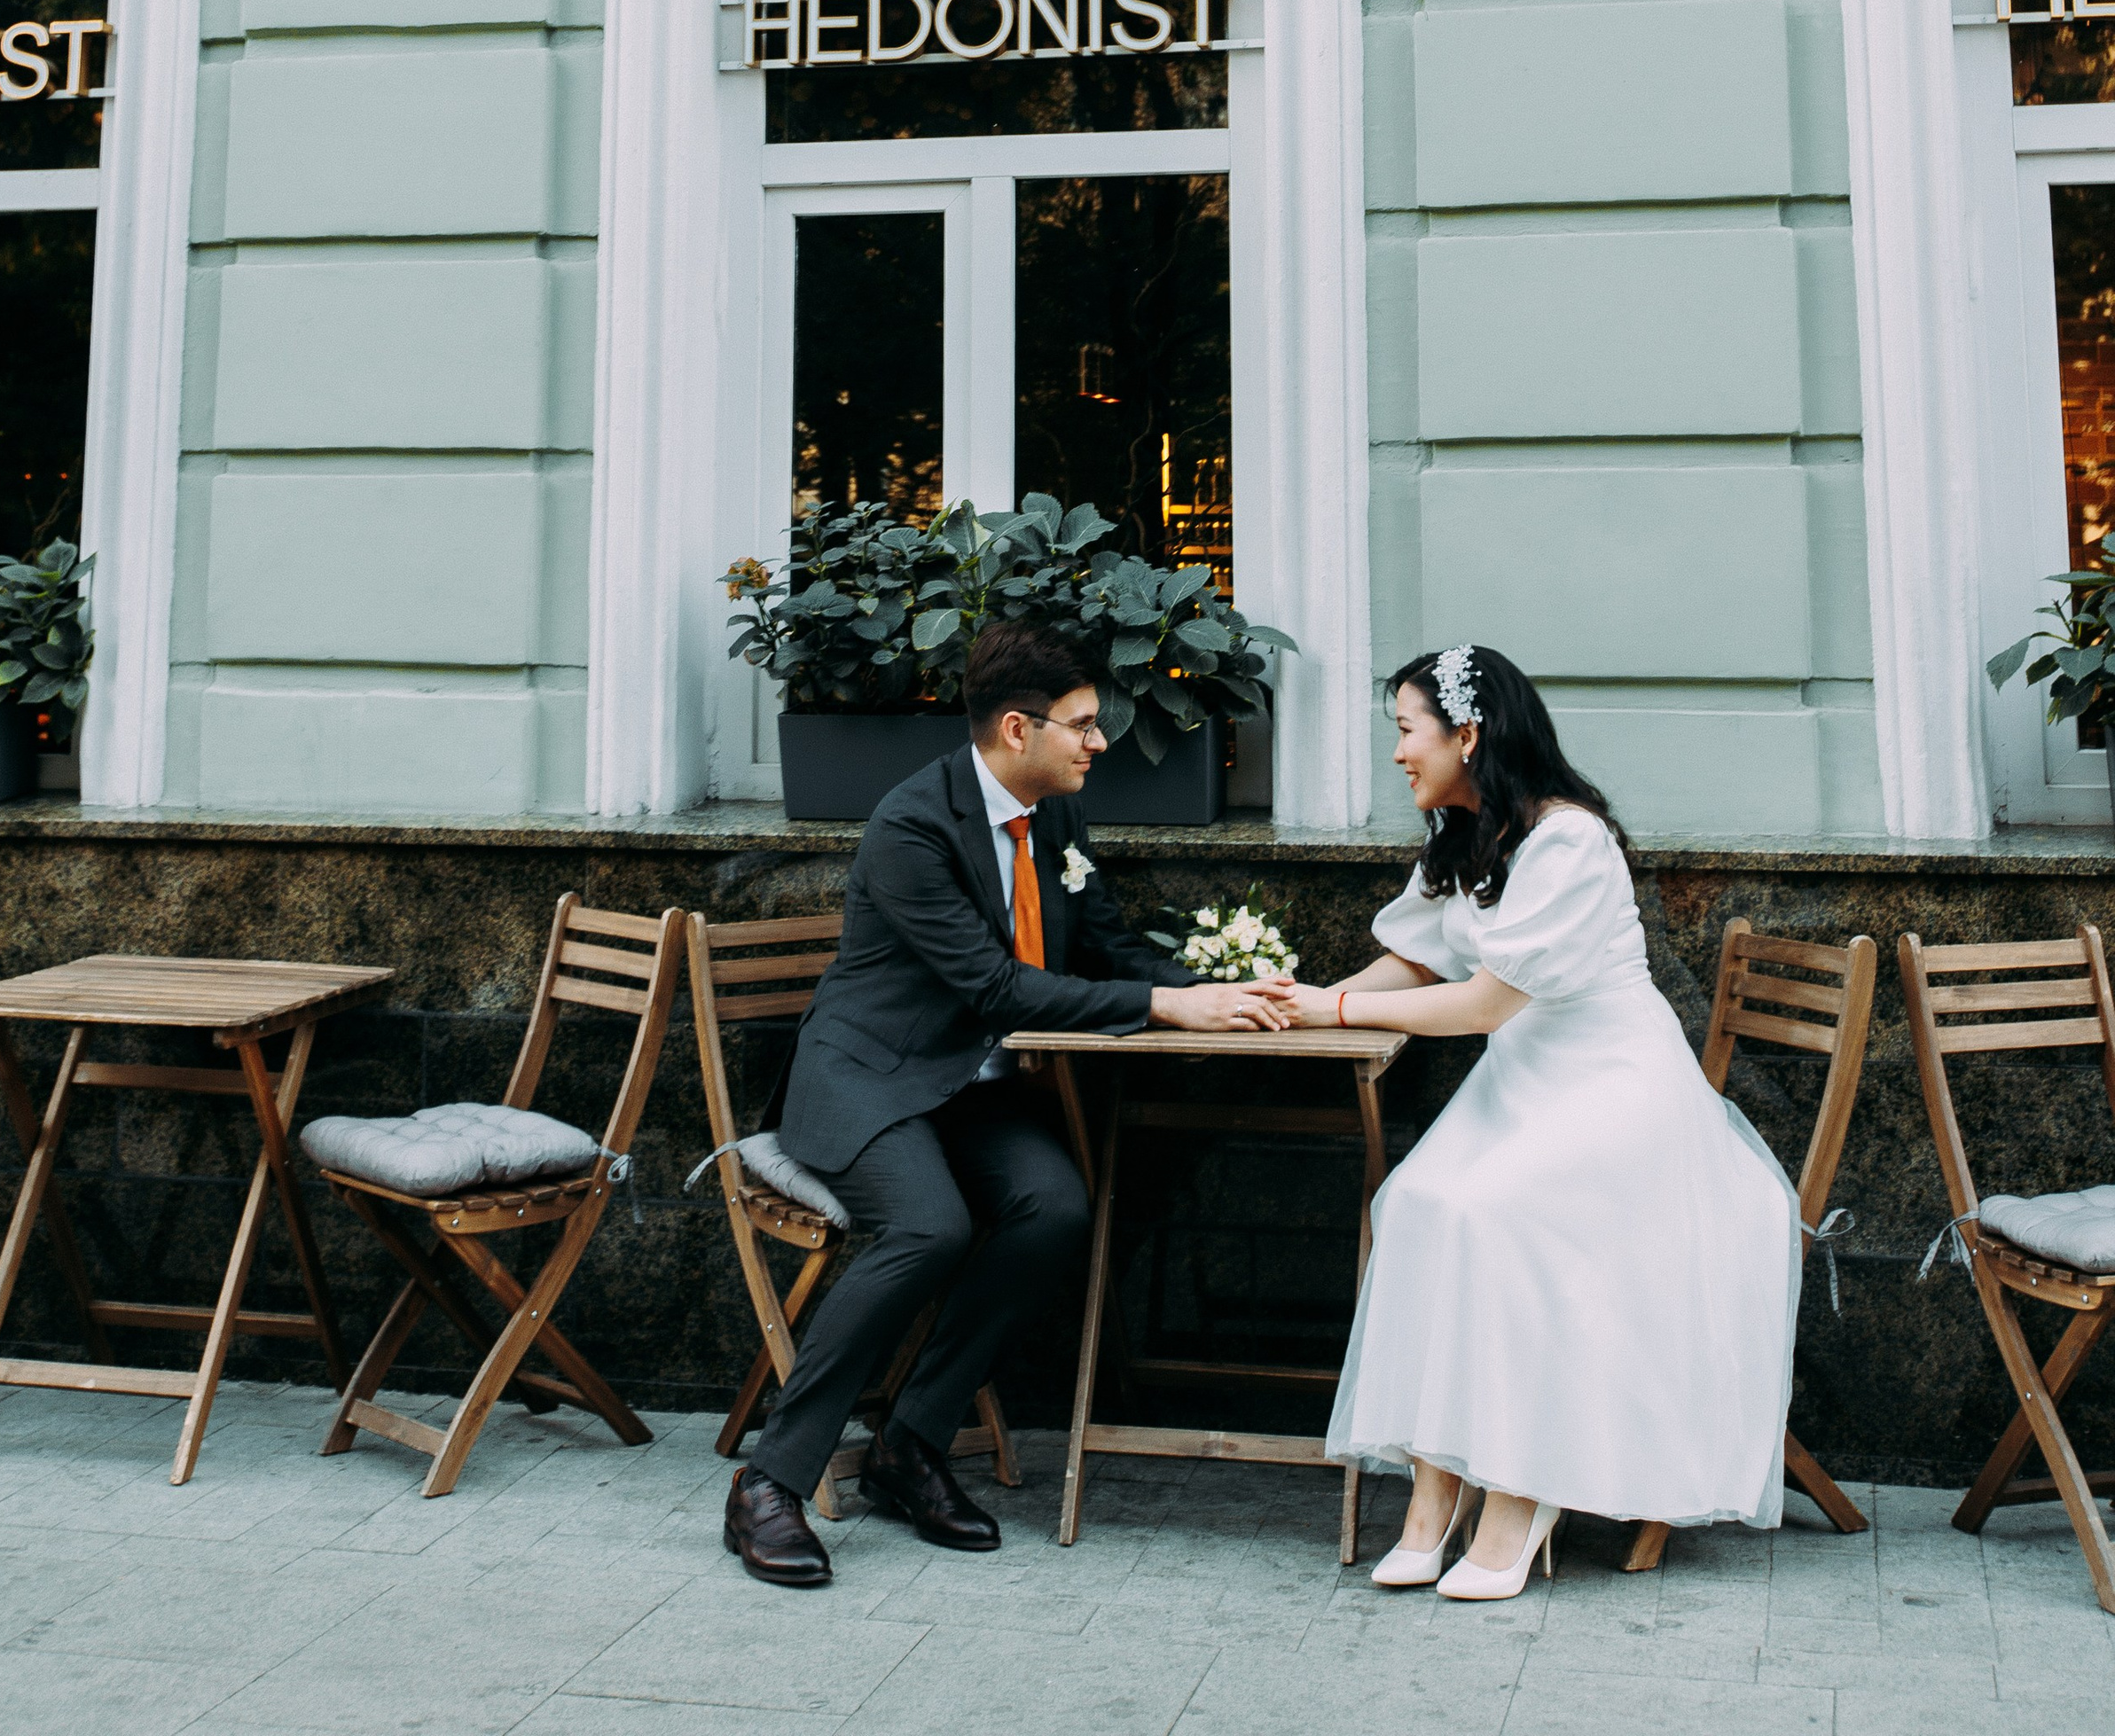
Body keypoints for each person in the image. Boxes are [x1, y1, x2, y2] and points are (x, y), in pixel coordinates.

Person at [725, 622, 1291, 1588]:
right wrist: (1166, 1005)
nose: (1100, 742)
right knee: (929, 1227)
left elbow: (1103, 943)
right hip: (867, 1078)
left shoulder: (1055, 815)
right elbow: (996, 988)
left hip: (968, 1088)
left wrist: (1231, 991)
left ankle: (911, 1446)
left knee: (1054, 1209)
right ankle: (769, 1481)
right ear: (1017, 729)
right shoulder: (911, 826)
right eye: (1082, 725)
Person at [1279, 644, 1800, 1599]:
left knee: (1496, 1215)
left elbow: (1481, 1005)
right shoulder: (1464, 831)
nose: (1396, 753)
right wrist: (1303, 998)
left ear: (1467, 735)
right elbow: (1415, 961)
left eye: (1405, 731)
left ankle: (1520, 1493)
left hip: (1616, 1089)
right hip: (1524, 1089)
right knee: (1420, 1202)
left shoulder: (1568, 841)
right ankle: (1434, 1497)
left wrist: (1336, 1014)